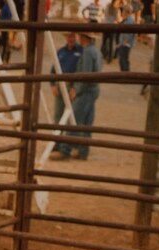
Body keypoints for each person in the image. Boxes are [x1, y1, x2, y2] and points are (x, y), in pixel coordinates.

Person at [53, 30, 103, 161]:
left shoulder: (87, 52)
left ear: (83, 37)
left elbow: (85, 74)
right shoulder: (95, 51)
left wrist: (77, 89)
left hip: (85, 90)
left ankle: (65, 151)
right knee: (87, 122)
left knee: (74, 119)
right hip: (93, 89)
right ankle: (83, 151)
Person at [48, 31, 83, 151]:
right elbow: (53, 70)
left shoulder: (81, 52)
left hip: (72, 87)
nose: (71, 38)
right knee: (58, 116)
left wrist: (75, 88)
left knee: (72, 117)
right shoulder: (60, 52)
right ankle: (56, 143)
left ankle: (69, 144)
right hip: (60, 86)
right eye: (69, 36)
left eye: (73, 36)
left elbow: (82, 71)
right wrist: (53, 84)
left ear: (76, 37)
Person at [116, 5, 136, 71]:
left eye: (123, 10)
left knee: (123, 60)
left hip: (125, 44)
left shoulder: (129, 20)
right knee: (124, 60)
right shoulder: (128, 19)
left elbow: (128, 33)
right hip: (125, 43)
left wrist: (123, 42)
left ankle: (125, 75)